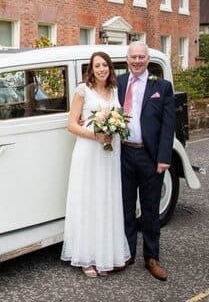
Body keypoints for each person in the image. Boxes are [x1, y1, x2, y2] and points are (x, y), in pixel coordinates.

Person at [61, 52, 131, 277]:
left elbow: (119, 116)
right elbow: (71, 125)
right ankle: (87, 257)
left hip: (109, 155)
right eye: (97, 65)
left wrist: (116, 127)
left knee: (106, 201)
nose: (102, 69)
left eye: (105, 65)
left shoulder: (115, 90)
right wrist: (96, 136)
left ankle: (107, 254)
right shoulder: (83, 90)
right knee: (89, 200)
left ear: (110, 68)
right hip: (89, 151)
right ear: (91, 69)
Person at [118, 41, 175, 281]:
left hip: (150, 157)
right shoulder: (119, 82)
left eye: (142, 57)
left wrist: (164, 158)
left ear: (148, 59)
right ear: (128, 59)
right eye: (134, 57)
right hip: (123, 154)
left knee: (150, 209)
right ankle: (128, 252)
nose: (137, 61)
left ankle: (152, 257)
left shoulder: (161, 86)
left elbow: (168, 125)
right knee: (126, 206)